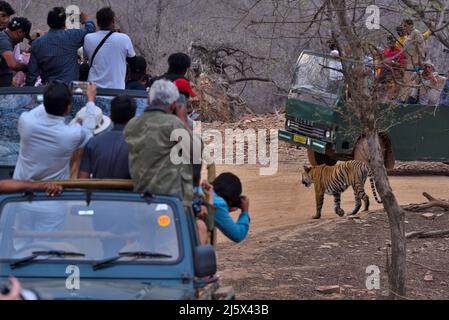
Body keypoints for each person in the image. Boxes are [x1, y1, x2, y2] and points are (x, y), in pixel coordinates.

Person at [124, 79, 194, 207]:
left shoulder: (132, 124)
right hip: (168, 199)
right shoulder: (173, 123)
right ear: (173, 105)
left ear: (149, 100)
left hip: (139, 196)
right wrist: (183, 118)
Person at [13, 82, 101, 181]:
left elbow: (45, 106)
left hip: (20, 189)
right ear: (68, 108)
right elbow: (89, 131)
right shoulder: (71, 135)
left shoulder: (26, 121)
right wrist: (90, 100)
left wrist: (56, 95)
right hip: (53, 193)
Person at [26, 7, 96, 86]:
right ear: (64, 22)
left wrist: (28, 92)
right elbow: (90, 31)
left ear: (48, 22)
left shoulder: (37, 43)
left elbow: (31, 75)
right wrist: (86, 20)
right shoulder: (72, 36)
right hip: (71, 90)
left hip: (48, 90)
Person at [78, 96, 136, 179]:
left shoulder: (93, 142)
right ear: (133, 119)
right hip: (127, 192)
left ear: (110, 116)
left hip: (97, 192)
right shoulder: (139, 145)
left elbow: (82, 180)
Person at [84, 7, 136, 89]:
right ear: (113, 21)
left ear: (97, 22)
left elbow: (86, 57)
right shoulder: (124, 38)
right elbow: (133, 61)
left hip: (93, 89)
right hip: (117, 89)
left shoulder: (88, 38)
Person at [210, 173, 251, 243]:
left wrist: (226, 209)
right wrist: (245, 212)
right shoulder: (219, 204)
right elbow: (238, 235)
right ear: (230, 199)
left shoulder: (205, 191)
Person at [399, 19, 426, 102]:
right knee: (406, 81)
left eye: (405, 26)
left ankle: (409, 100)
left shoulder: (416, 33)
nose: (404, 28)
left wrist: (419, 62)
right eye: (403, 26)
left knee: (412, 82)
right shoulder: (408, 35)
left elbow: (421, 48)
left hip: (414, 62)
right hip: (408, 62)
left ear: (410, 25)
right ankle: (403, 99)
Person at [0, 17, 31, 87]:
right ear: (19, 32)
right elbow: (12, 64)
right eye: (24, 36)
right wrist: (27, 67)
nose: (22, 40)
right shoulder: (4, 40)